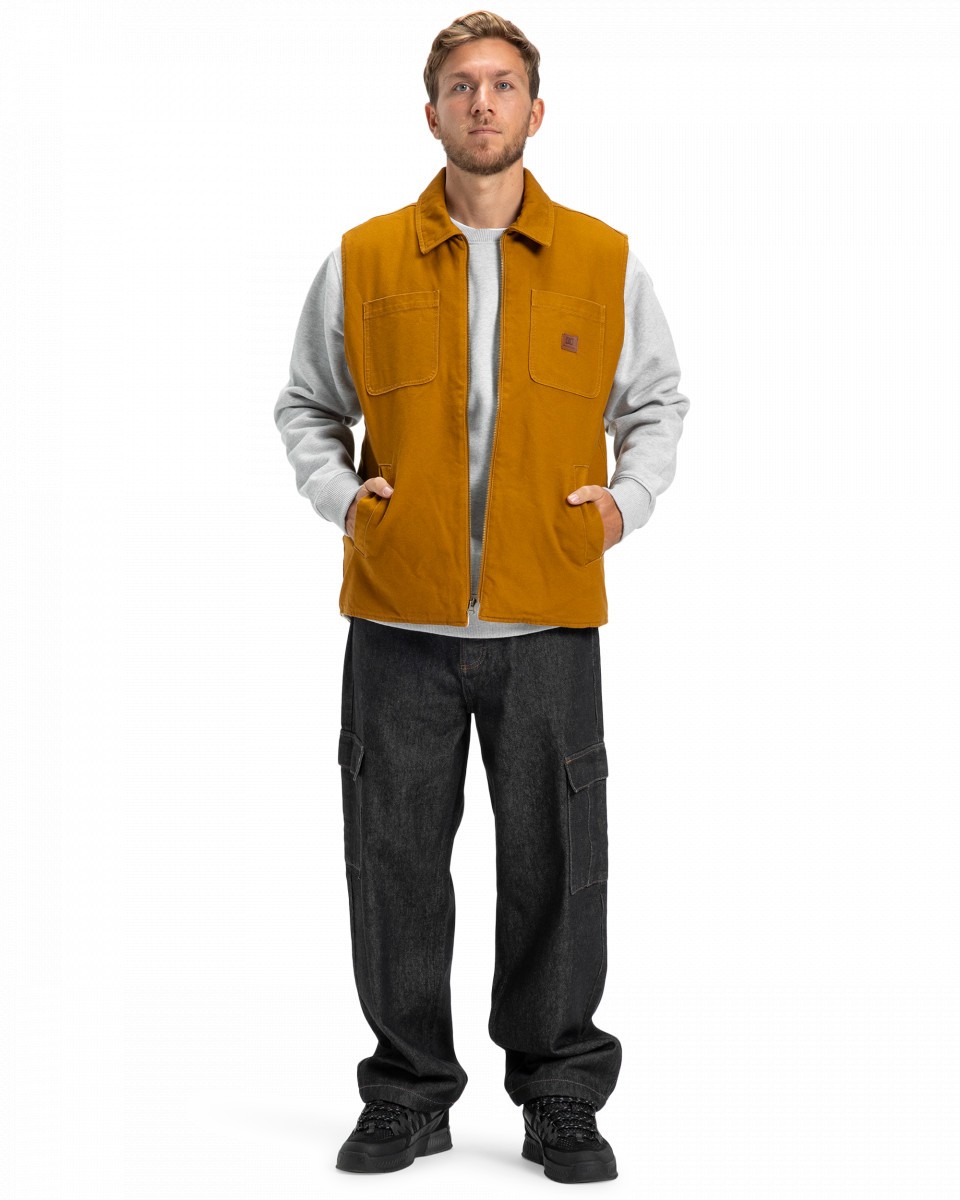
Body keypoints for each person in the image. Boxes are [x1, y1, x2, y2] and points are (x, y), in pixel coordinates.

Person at [274, 9, 689, 1184]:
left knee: (558, 862)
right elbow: (307, 403)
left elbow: (657, 401)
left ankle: (558, 1092)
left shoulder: (604, 258)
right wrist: (346, 500)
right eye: (462, 85)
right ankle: (409, 1094)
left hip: (549, 611)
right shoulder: (364, 257)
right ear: (432, 113)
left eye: (503, 84)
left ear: (536, 110)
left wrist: (625, 503)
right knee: (394, 859)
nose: (483, 103)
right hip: (397, 617)